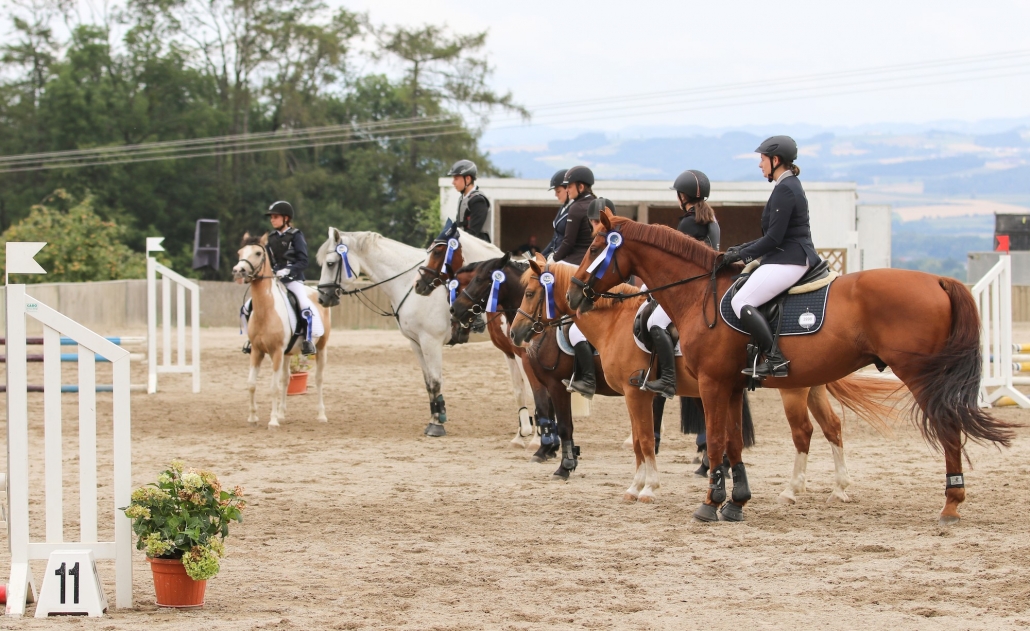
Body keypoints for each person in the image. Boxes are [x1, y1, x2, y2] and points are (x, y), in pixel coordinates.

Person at [722, 136, 819, 378]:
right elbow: (772, 236)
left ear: (775, 160)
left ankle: (775, 359)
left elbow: (774, 239)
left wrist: (742, 255)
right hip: (786, 255)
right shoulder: (787, 185)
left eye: (762, 159)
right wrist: (739, 248)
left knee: (740, 301)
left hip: (790, 258)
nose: (759, 164)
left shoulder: (786, 188)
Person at [642, 169, 720, 399]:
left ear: (683, 196)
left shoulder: (689, 222)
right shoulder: (710, 218)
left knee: (655, 322)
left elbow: (674, 264)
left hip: (692, 289)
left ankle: (667, 379)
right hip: (709, 284)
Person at [559, 166, 600, 397]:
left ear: (580, 186)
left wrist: (551, 263)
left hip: (576, 268)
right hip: (589, 268)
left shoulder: (577, 207)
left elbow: (567, 243)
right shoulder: (594, 204)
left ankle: (587, 377)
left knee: (572, 326)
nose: (566, 190)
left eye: (569, 186)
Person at [265, 200, 325, 355]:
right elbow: (269, 260)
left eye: (275, 217)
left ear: (286, 218)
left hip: (293, 281)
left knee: (304, 304)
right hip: (275, 281)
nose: (272, 219)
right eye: (271, 217)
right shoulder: (271, 238)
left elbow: (304, 261)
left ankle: (309, 340)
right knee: (249, 306)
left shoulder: (296, 236)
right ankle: (254, 339)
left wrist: (288, 270)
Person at [447, 159, 490, 241]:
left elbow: (473, 232)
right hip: (465, 243)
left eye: (456, 178)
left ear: (467, 179)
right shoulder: (463, 198)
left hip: (478, 246)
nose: (453, 182)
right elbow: (459, 225)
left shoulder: (478, 200)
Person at [541, 168, 570, 260]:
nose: (556, 195)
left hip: (564, 258)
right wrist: (540, 256)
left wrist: (552, 258)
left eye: (558, 191)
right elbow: (554, 239)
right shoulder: (563, 208)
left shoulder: (574, 210)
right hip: (554, 254)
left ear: (568, 189)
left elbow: (568, 242)